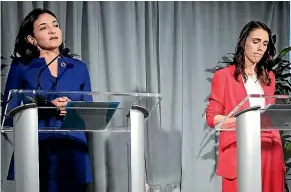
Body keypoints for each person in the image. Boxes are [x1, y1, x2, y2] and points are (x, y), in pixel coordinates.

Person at [2, 8, 93, 192]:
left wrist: (73, 109)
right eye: (43, 27)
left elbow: (90, 115)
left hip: (73, 150)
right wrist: (47, 108)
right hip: (36, 147)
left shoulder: (78, 68)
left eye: (56, 25)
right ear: (31, 39)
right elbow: (8, 114)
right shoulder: (21, 67)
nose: (53, 30)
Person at [205, 21, 285, 192]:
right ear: (244, 42)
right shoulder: (224, 76)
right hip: (240, 152)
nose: (260, 48)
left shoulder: (269, 77)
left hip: (270, 152)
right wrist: (245, 122)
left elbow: (269, 116)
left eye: (264, 43)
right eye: (255, 41)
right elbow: (212, 118)